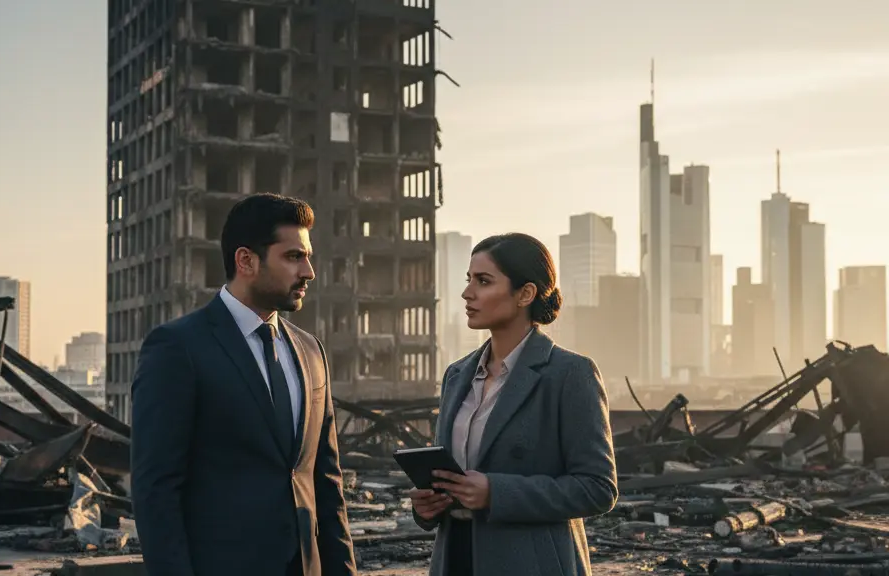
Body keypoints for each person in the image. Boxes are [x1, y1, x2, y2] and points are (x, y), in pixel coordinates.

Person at [130, 193, 356, 576]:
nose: (309, 272)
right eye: (293, 257)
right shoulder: (178, 347)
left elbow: (326, 482)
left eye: (307, 256)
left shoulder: (311, 351)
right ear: (246, 260)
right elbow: (156, 491)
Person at [408, 233, 618, 576]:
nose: (467, 293)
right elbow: (450, 474)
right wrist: (429, 505)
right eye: (468, 280)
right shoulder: (457, 375)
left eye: (483, 281)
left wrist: (496, 492)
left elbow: (598, 488)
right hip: (456, 559)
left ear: (525, 294)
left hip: (532, 563)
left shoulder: (569, 374)